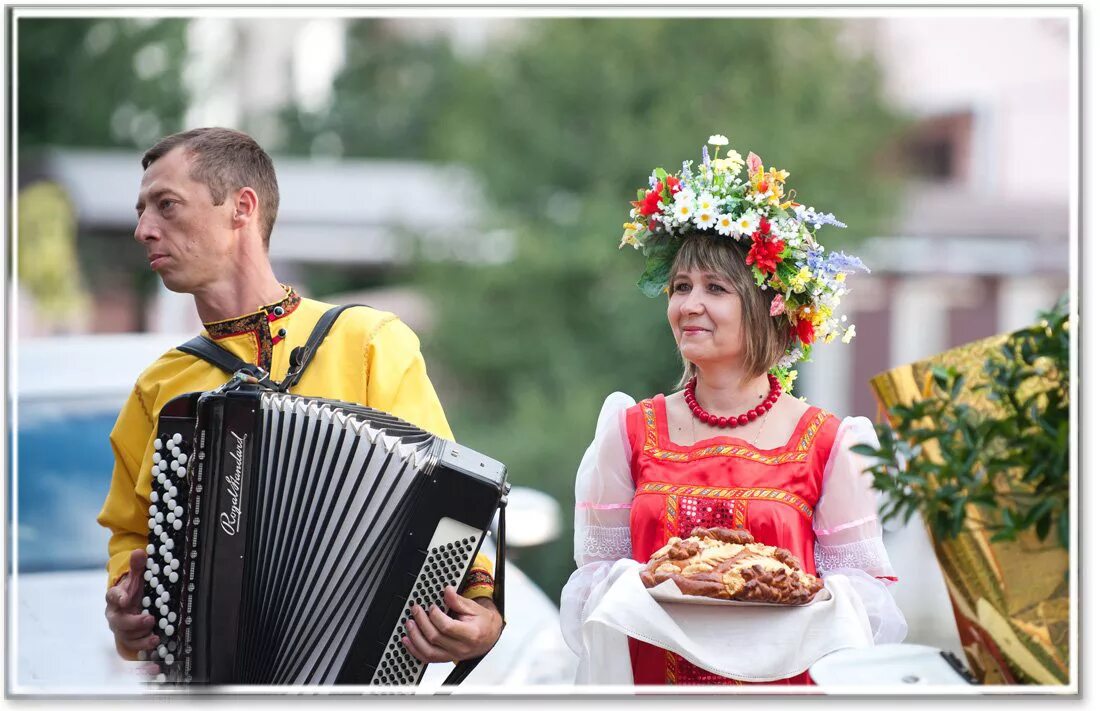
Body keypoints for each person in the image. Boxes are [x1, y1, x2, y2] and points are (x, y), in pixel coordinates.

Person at [97, 127, 502, 671]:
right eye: (142, 211)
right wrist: (127, 608)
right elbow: (130, 532)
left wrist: (483, 612)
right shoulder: (160, 386)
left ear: (242, 207)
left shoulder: (369, 342)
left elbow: (453, 496)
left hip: (354, 671)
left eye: (166, 206)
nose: (144, 229)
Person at [560, 135, 907, 685]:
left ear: (770, 306)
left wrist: (795, 591)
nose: (689, 305)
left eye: (716, 288)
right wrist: (646, 582)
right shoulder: (629, 431)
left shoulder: (827, 442)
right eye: (680, 286)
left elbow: (868, 603)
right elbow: (593, 580)